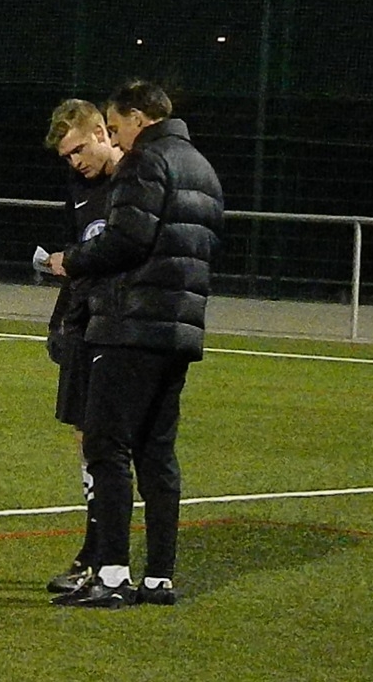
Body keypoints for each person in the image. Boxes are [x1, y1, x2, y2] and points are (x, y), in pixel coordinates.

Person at [46, 80, 224, 608]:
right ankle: (158, 577)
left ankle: (112, 574)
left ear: (136, 118)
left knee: (107, 447)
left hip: (131, 326)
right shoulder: (203, 168)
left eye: (115, 125)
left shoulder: (147, 161)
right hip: (179, 328)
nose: (117, 136)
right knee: (157, 453)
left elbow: (127, 240)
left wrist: (70, 261)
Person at [41, 99, 122, 594]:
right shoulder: (79, 190)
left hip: (119, 329)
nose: (75, 162)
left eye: (78, 151)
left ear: (101, 132)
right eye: (67, 157)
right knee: (86, 439)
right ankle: (95, 549)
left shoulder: (133, 183)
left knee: (110, 444)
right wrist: (61, 321)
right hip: (83, 326)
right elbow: (77, 258)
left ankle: (110, 558)